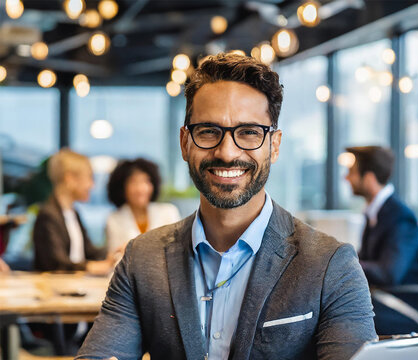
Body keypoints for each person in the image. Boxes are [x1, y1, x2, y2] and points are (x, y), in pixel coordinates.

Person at [77, 54, 376, 360]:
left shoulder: (330, 265)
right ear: (185, 142)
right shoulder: (142, 259)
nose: (227, 152)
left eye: (248, 132)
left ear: (274, 145)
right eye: (208, 131)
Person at [345, 146, 418, 334]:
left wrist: (346, 262)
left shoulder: (400, 216)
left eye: (352, 173)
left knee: (341, 315)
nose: (346, 178)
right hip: (387, 299)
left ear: (369, 178)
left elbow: (389, 273)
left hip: (408, 306)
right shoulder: (377, 213)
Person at [33, 149, 113, 274]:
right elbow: (55, 263)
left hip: (75, 288)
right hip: (56, 290)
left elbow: (89, 252)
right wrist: (89, 267)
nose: (92, 185)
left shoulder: (73, 213)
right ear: (70, 178)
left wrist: (115, 253)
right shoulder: (48, 215)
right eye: (89, 177)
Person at [106, 158, 181, 254]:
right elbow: (115, 258)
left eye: (146, 181)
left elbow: (177, 250)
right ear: (122, 187)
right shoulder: (114, 219)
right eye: (133, 182)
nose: (140, 189)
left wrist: (133, 248)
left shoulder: (168, 211)